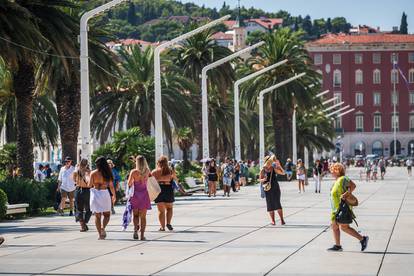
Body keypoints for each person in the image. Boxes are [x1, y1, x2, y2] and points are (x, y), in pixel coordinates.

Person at [328, 162, 369, 252]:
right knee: (335, 226)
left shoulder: (343, 178)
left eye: (332, 170)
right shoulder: (337, 180)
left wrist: (346, 194)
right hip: (336, 208)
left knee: (344, 227)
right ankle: (338, 245)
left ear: (337, 170)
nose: (331, 172)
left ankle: (363, 239)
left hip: (342, 207)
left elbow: (353, 186)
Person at [89, 157, 116, 240]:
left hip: (95, 193)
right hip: (105, 193)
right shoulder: (108, 173)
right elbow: (111, 186)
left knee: (97, 216)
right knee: (107, 214)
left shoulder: (93, 173)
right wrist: (114, 195)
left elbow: (89, 185)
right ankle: (103, 227)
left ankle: (100, 234)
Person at [127, 156, 151, 240]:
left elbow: (129, 183)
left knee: (136, 215)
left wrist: (134, 181)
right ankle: (142, 235)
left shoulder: (133, 172)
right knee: (143, 217)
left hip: (135, 195)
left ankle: (135, 230)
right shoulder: (147, 171)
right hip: (144, 194)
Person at [152, 155, 178, 231]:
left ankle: (162, 227)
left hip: (159, 189)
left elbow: (149, 181)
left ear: (158, 163)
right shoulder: (170, 171)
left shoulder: (154, 171)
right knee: (169, 208)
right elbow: (176, 179)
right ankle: (168, 223)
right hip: (168, 189)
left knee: (161, 211)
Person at [259, 155, 286, 225]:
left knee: (277, 203)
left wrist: (279, 166)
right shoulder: (263, 169)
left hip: (275, 188)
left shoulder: (274, 168)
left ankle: (282, 219)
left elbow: (283, 173)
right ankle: (273, 220)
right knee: (270, 205)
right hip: (267, 189)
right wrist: (263, 179)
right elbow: (259, 179)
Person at [72, 159, 91, 232]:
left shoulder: (76, 171)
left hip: (79, 189)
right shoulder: (89, 172)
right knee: (88, 208)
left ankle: (83, 224)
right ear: (87, 164)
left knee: (78, 209)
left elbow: (73, 179)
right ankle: (84, 223)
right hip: (87, 190)